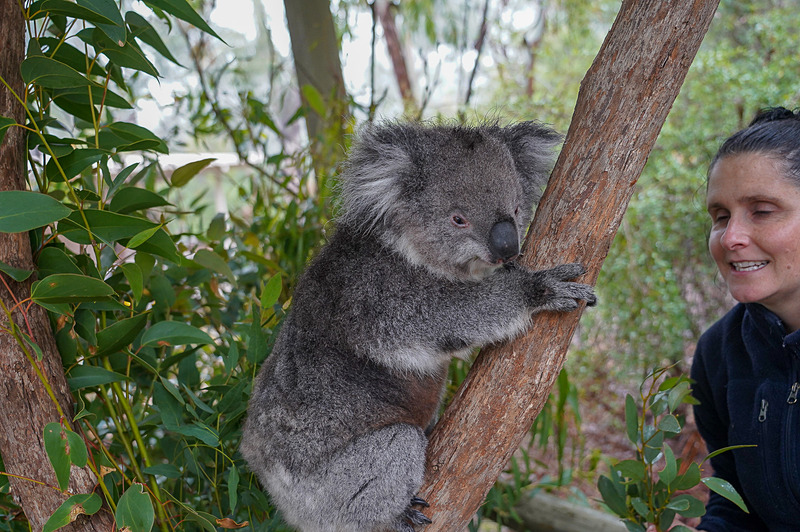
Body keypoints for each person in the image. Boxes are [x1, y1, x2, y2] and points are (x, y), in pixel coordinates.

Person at [691, 106, 800, 531]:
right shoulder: (720, 354)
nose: (731, 237)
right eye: (720, 216)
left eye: (762, 210)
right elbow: (737, 504)